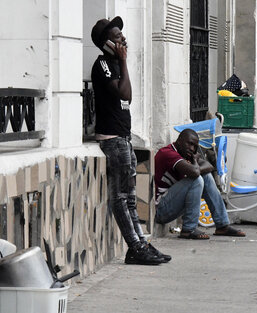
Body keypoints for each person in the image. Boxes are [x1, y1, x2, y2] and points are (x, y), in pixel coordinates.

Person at [91, 16, 170, 265]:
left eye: (122, 35)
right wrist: (124, 62)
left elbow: (129, 97)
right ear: (106, 43)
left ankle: (141, 244)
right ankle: (135, 247)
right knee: (121, 197)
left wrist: (122, 63)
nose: (123, 38)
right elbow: (123, 92)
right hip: (113, 140)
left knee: (132, 199)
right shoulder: (104, 64)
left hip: (124, 140)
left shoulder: (115, 64)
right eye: (117, 36)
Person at [154, 128, 246, 239]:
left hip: (172, 205)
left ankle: (222, 225)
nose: (192, 149)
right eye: (190, 144)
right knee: (197, 180)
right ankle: (189, 229)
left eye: (195, 147)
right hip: (161, 209)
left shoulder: (186, 154)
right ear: (179, 141)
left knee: (206, 176)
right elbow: (195, 172)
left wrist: (195, 163)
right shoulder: (168, 153)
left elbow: (209, 166)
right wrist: (195, 162)